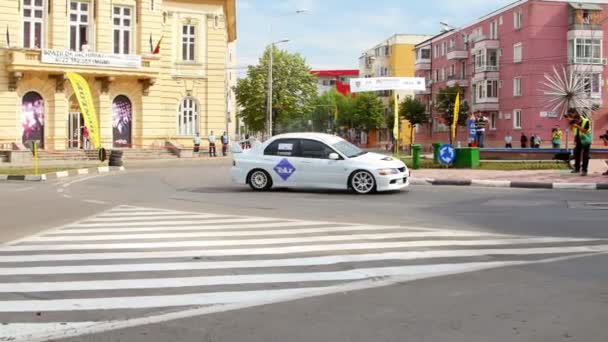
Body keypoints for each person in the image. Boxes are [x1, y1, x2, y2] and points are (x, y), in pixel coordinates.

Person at [568, 108, 592, 176]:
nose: (576, 122)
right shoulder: (574, 121)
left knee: (585, 155)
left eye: (577, 121)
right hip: (579, 139)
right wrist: (572, 125)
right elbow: (573, 130)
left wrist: (577, 126)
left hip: (586, 140)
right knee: (576, 153)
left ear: (579, 119)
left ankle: (584, 170)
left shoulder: (586, 121)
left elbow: (585, 131)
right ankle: (577, 168)